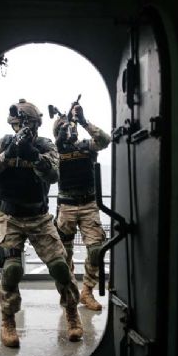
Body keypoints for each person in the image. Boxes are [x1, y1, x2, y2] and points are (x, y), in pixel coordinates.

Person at [0, 98, 83, 348]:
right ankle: (8, 320)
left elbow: (53, 174)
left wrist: (34, 156)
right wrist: (8, 155)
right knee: (11, 270)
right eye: (16, 125)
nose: (19, 128)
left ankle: (72, 312)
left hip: (39, 217)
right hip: (10, 216)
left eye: (23, 124)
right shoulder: (4, 143)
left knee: (60, 266)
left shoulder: (45, 145)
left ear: (35, 125)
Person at [53, 104, 111, 311]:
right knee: (63, 256)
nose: (69, 131)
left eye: (70, 127)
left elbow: (105, 140)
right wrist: (58, 143)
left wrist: (84, 122)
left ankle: (87, 292)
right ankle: (69, 292)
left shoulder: (86, 147)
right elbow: (44, 167)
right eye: (64, 128)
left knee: (96, 250)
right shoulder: (54, 151)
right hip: (66, 208)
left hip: (88, 206)